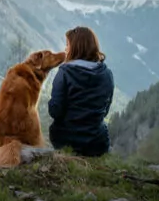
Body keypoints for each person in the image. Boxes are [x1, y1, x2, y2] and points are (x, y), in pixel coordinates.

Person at [47, 26, 114, 157]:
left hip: (66, 141)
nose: (65, 49)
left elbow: (55, 111)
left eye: (68, 44)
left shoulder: (64, 73)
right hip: (97, 143)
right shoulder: (107, 74)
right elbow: (105, 111)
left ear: (77, 47)